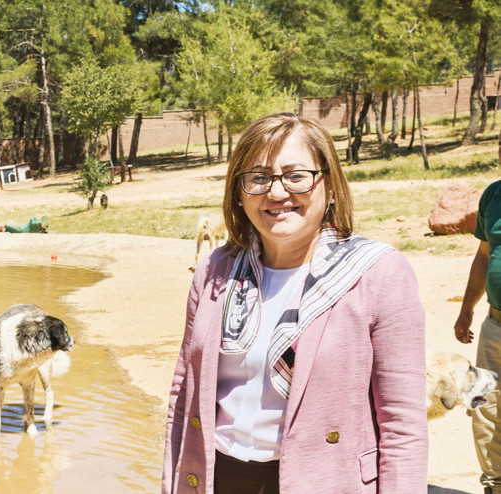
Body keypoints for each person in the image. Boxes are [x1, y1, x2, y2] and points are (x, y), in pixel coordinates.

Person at [162, 113, 428, 493]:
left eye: (296, 175)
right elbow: (183, 392)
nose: (276, 192)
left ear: (330, 185)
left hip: (324, 481)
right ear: (239, 193)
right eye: (258, 177)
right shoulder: (215, 270)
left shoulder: (378, 273)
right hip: (217, 478)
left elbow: (403, 424)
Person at [453, 131, 501, 494]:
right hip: (495, 325)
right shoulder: (493, 195)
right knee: (483, 405)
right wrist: (467, 309)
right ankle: (494, 484)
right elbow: (484, 255)